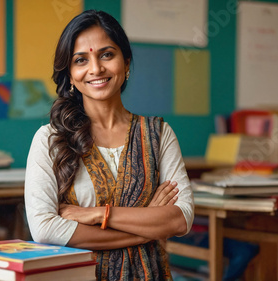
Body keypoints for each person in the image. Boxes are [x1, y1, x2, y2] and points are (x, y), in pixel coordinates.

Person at [24, 10, 194, 281]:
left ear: (126, 62)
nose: (96, 69)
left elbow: (180, 219)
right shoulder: (50, 139)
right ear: (69, 73)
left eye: (106, 54)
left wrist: (94, 214)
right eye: (81, 60)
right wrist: (147, 222)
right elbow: (45, 229)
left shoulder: (158, 133)